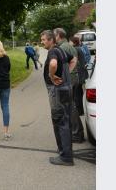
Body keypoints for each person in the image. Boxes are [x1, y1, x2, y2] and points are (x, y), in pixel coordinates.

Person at [41, 29, 74, 166]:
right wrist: (67, 76)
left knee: (60, 121)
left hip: (57, 91)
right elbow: (73, 59)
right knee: (66, 120)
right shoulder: (61, 50)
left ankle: (65, 157)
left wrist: (51, 75)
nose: (42, 42)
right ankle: (65, 151)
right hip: (66, 89)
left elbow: (53, 64)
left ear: (51, 40)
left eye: (43, 40)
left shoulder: (53, 51)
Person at [54, 28, 84, 143]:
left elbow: (68, 63)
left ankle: (76, 133)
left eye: (54, 35)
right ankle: (78, 132)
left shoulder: (62, 48)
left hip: (69, 79)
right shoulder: (68, 45)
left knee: (69, 107)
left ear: (58, 36)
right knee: (72, 106)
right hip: (74, 77)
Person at [70, 35, 88, 116]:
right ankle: (81, 110)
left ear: (73, 42)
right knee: (79, 93)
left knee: (77, 94)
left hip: (79, 74)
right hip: (81, 73)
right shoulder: (79, 48)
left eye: (70, 41)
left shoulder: (75, 49)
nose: (69, 43)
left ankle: (80, 111)